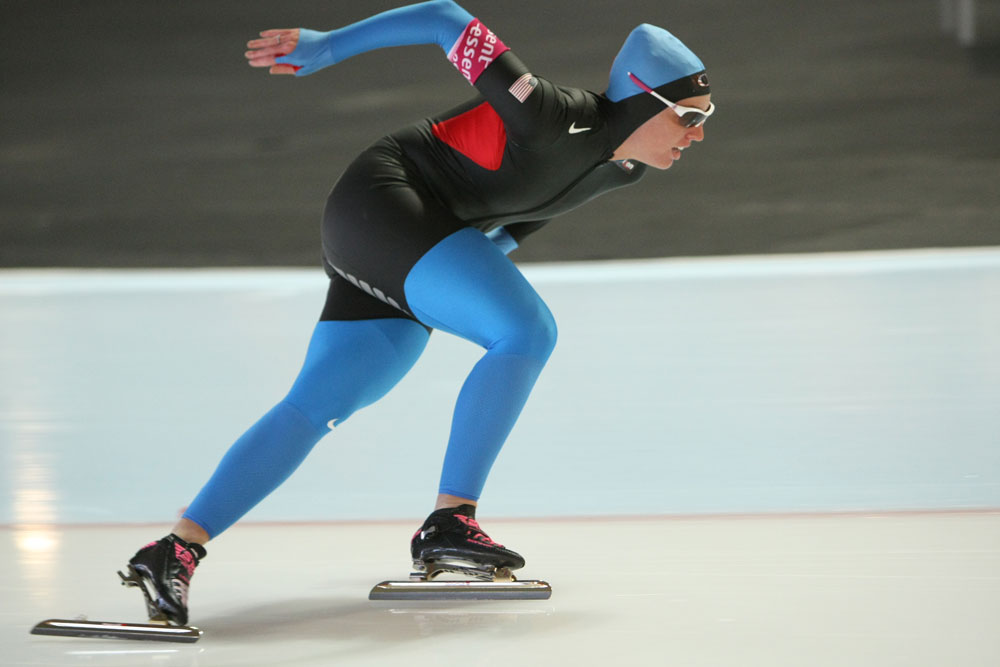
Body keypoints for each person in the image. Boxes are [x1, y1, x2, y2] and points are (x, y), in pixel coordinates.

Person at [120, 0, 713, 626]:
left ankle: (173, 549)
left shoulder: (622, 170)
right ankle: (451, 521)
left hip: (408, 242)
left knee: (315, 405)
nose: (698, 132)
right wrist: (328, 46)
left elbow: (521, 218)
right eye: (690, 115)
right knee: (526, 330)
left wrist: (462, 277)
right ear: (645, 101)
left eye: (707, 118)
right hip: (386, 203)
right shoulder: (548, 112)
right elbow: (442, 17)